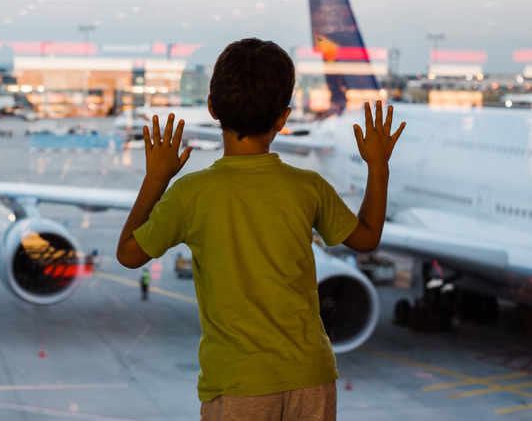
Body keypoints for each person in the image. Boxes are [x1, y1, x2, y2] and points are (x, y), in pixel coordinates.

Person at [116, 38, 404, 420]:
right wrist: (378, 165)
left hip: (239, 386)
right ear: (283, 118)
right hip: (310, 378)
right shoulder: (308, 186)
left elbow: (129, 255)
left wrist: (156, 179)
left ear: (212, 108)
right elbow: (367, 238)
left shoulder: (192, 194)